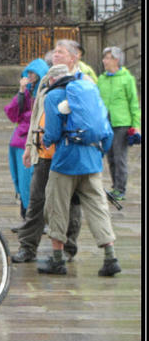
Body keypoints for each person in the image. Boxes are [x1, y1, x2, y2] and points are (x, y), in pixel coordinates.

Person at [38, 68, 120, 277]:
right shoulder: (90, 92)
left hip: (66, 161)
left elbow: (53, 133)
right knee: (98, 208)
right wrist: (97, 154)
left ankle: (57, 260)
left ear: (53, 79)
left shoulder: (54, 95)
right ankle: (110, 257)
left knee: (56, 206)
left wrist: (44, 140)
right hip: (92, 161)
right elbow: (106, 131)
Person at [12, 43, 86, 263]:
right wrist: (29, 147)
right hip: (43, 153)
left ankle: (67, 247)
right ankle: (28, 247)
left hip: (68, 154)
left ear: (74, 57)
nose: (55, 54)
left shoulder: (82, 81)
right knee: (36, 201)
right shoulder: (46, 82)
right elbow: (36, 117)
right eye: (55, 51)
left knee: (70, 203)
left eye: (61, 52)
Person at [4, 59, 49, 220]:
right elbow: (12, 113)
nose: (30, 76)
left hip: (37, 142)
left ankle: (35, 215)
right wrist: (21, 91)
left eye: (33, 73)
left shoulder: (45, 93)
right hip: (19, 141)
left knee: (33, 181)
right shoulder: (27, 92)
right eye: (28, 73)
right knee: (21, 180)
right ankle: (26, 212)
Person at [96, 46, 141, 201]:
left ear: (116, 60)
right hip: (105, 123)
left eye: (107, 58)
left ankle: (120, 189)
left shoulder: (126, 78)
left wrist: (136, 126)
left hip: (122, 123)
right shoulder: (101, 79)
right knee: (111, 157)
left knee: (120, 157)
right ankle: (115, 187)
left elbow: (133, 103)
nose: (104, 61)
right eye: (104, 57)